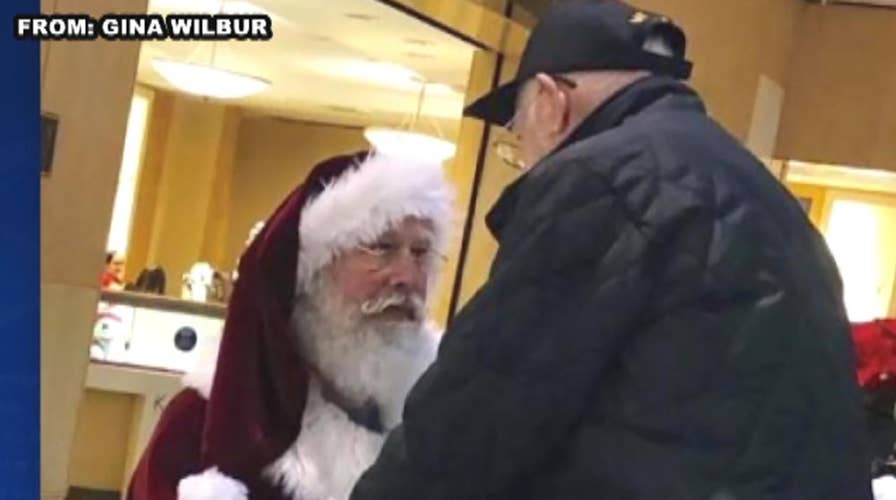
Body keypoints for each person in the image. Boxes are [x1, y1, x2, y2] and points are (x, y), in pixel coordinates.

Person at [349, 2, 870, 500]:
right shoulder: (761, 193)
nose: (523, 157)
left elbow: (474, 418)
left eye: (516, 133)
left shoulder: (601, 179)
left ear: (551, 104)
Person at [127, 151, 454, 500]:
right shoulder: (203, 426)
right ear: (314, 273)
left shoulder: (439, 424)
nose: (407, 277)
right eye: (381, 248)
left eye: (421, 252)